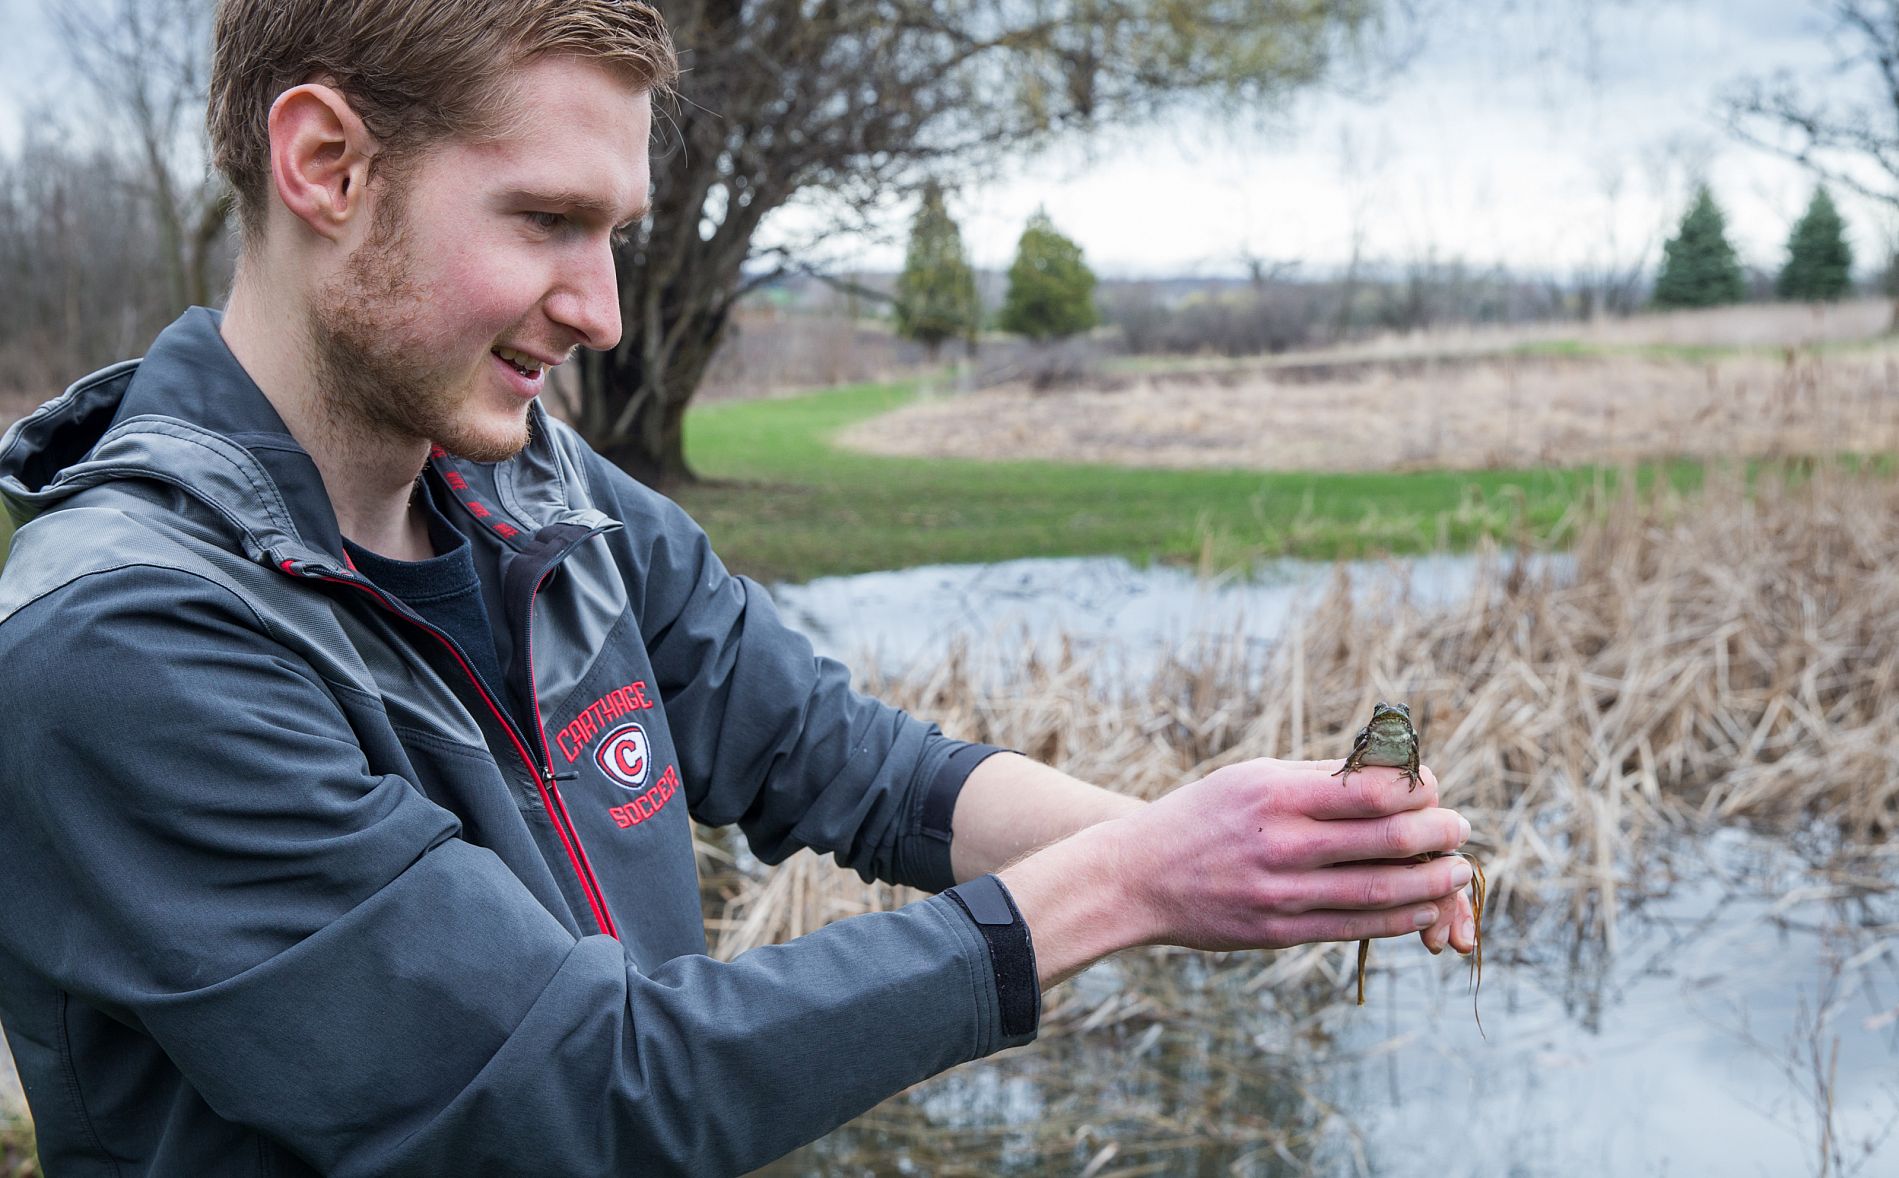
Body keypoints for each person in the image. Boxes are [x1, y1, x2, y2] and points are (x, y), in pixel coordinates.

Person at [0, 1, 1477, 1174]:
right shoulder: (124, 645)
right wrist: (1132, 882)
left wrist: (1269, 852)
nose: (602, 309)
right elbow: (578, 1094)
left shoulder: (544, 497)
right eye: (545, 221)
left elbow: (851, 766)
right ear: (325, 163)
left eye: (617, 235)